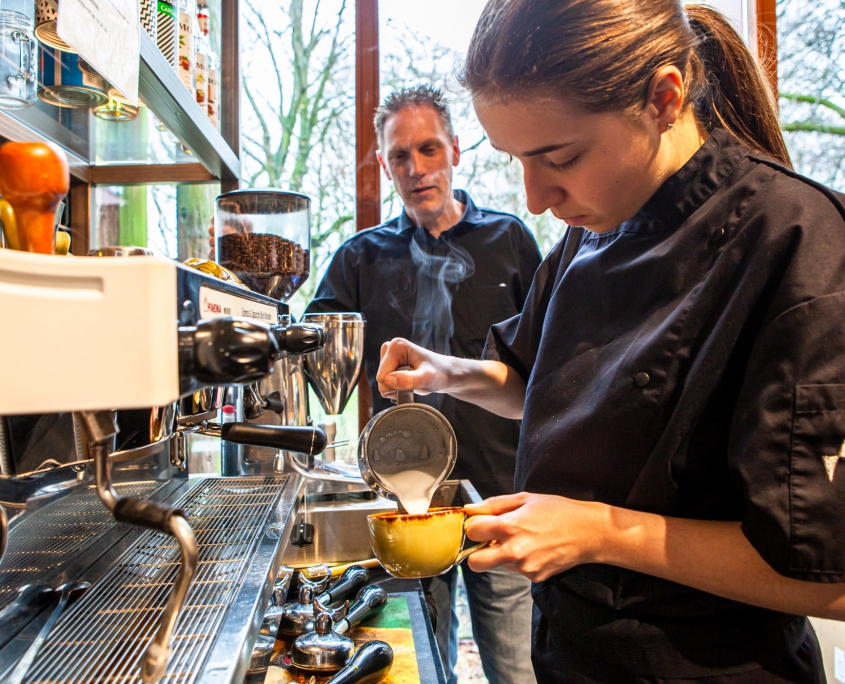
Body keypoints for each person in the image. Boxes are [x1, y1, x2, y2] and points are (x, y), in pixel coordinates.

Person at [375, 3, 845, 683]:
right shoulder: (591, 229)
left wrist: (597, 532)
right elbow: (536, 386)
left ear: (663, 97)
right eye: (517, 163)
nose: (534, 198)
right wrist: (445, 372)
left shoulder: (795, 242)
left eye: (558, 157)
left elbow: (827, 576)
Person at [305, 86, 542, 684]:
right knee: (420, 667)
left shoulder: (510, 241)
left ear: (456, 149)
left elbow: (548, 364)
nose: (415, 169)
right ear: (385, 165)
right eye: (399, 156)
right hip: (404, 505)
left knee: (517, 669)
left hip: (500, 494)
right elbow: (314, 346)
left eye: (428, 149)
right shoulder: (360, 258)